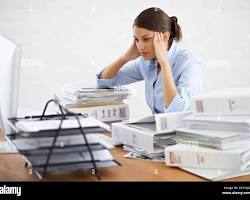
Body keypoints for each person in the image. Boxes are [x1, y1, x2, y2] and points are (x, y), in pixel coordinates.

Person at [96, 7, 203, 113]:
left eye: (146, 39)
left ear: (165, 37)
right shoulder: (146, 63)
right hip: (159, 128)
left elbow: (177, 110)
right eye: (137, 40)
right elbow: (106, 82)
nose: (140, 46)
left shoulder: (189, 63)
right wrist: (125, 58)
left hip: (184, 128)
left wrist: (164, 63)